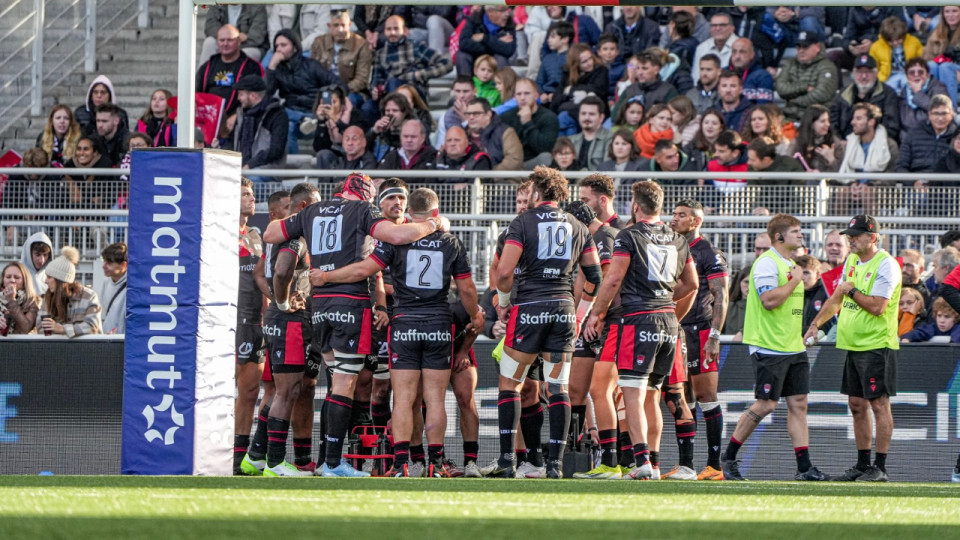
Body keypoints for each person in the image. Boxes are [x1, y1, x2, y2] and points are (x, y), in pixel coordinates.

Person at [263, 172, 453, 478]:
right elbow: (397, 236)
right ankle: (335, 464)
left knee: (334, 382)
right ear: (365, 193)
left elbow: (271, 233)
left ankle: (326, 459)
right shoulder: (364, 210)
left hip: (319, 306)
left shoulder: (311, 211)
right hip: (350, 303)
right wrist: (434, 224)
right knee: (344, 384)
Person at [313, 188, 482, 477]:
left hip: (404, 323)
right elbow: (465, 288)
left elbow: (364, 269)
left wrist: (326, 276)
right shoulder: (450, 241)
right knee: (435, 398)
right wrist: (476, 314)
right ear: (436, 214)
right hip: (438, 324)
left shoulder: (396, 242)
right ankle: (436, 463)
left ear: (409, 213)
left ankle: (402, 463)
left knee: (403, 398)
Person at [489, 166, 601, 479]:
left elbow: (503, 272)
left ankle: (506, 460)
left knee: (510, 382)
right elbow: (595, 275)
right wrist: (580, 314)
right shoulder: (579, 225)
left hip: (529, 310)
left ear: (537, 192)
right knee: (557, 387)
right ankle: (555, 464)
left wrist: (506, 304)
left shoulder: (523, 221)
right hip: (564, 311)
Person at [584, 180, 698, 480]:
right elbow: (693, 284)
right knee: (652, 395)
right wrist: (665, 299)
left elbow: (612, 280)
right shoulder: (677, 238)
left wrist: (596, 313)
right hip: (668, 322)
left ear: (635, 206)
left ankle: (642, 461)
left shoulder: (629, 235)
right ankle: (656, 464)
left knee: (632, 393)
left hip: (637, 320)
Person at [722, 214, 829, 481]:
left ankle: (804, 467)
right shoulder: (767, 264)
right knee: (766, 404)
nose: (801, 235)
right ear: (779, 236)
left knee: (799, 404)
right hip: (769, 346)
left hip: (792, 346)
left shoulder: (788, 263)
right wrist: (794, 281)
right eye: (795, 231)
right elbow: (769, 300)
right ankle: (729, 457)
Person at [805, 215, 901, 482]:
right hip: (853, 344)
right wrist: (816, 324)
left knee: (879, 405)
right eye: (849, 235)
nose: (850, 239)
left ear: (872, 238)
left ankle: (879, 467)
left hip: (876, 344)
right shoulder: (852, 260)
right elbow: (837, 297)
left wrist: (851, 290)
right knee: (856, 404)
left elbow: (878, 306)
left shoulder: (887, 265)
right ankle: (862, 464)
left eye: (856, 236)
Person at [242, 182, 322, 477]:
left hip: (279, 319)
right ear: (303, 208)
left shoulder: (279, 236)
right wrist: (285, 301)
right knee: (287, 391)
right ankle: (276, 463)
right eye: (315, 206)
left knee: (281, 390)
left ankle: (255, 456)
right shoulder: (296, 238)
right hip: (288, 321)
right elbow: (281, 271)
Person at [666, 199, 729, 481]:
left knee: (706, 396)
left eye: (682, 215)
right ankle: (686, 466)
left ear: (696, 221)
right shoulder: (671, 248)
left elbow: (721, 295)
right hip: (676, 329)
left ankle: (714, 466)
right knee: (682, 397)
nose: (674, 218)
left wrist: (714, 336)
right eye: (674, 213)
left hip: (700, 330)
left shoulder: (708, 252)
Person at [233, 178, 268, 475]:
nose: (251, 199)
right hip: (231, 321)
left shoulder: (256, 235)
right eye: (244, 194)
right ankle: (230, 454)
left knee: (250, 390)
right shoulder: (219, 236)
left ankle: (240, 457)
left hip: (256, 320)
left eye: (252, 194)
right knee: (238, 389)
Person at [266, 29, 344, 155]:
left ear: (295, 47)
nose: (279, 49)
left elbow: (336, 84)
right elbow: (266, 93)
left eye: (283, 45)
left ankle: (307, 118)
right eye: (276, 46)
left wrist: (326, 102)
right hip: (292, 113)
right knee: (283, 122)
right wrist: (271, 68)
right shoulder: (277, 69)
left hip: (314, 112)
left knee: (285, 117)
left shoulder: (311, 65)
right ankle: (292, 166)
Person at [195, 24, 265, 140]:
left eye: (230, 40)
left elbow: (258, 99)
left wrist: (238, 115)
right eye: (222, 40)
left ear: (238, 41)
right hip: (209, 121)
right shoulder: (207, 66)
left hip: (238, 122)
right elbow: (197, 94)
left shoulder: (252, 66)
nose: (225, 44)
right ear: (217, 42)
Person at [836, 103, 898, 216]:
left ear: (871, 122)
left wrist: (870, 185)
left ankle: (872, 231)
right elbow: (843, 171)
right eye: (853, 118)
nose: (852, 122)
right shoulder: (849, 144)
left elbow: (892, 175)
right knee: (842, 193)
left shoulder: (889, 145)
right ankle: (839, 230)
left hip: (880, 190)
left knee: (867, 192)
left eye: (858, 118)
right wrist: (852, 184)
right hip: (854, 188)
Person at [830, 54, 901, 142]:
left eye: (868, 72)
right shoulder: (843, 94)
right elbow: (832, 122)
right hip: (845, 142)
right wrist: (839, 141)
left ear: (876, 73)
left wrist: (869, 143)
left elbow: (891, 127)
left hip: (876, 144)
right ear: (854, 73)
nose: (864, 76)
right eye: (860, 72)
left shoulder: (888, 94)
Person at [310, 9, 373, 107]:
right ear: (329, 26)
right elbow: (312, 72)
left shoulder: (361, 44)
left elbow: (362, 78)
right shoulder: (319, 42)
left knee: (348, 102)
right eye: (336, 25)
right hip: (326, 89)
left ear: (350, 25)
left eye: (343, 25)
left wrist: (341, 91)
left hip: (352, 91)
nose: (340, 29)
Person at [231, 74, 288, 180]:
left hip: (268, 169)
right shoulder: (241, 114)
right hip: (242, 167)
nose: (238, 98)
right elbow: (232, 142)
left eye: (241, 94)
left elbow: (276, 149)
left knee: (251, 181)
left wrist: (251, 164)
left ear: (253, 96)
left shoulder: (277, 114)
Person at [775, 31, 840, 123]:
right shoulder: (790, 63)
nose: (801, 50)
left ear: (817, 47)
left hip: (815, 120)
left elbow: (821, 94)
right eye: (798, 47)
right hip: (789, 117)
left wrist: (796, 100)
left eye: (805, 47)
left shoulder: (827, 66)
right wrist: (804, 87)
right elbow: (780, 88)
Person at [37, 246, 102, 337]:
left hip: (87, 349)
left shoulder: (89, 296)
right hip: (58, 350)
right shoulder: (48, 297)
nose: (45, 281)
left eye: (49, 277)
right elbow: (40, 328)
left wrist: (62, 329)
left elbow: (92, 326)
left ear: (61, 281)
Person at [500, 78, 559, 168]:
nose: (522, 98)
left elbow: (545, 148)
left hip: (535, 164)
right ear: (514, 97)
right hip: (511, 164)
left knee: (545, 157)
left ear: (536, 96)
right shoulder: (505, 117)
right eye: (519, 94)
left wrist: (527, 122)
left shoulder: (549, 117)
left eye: (527, 93)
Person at [746, 137, 805, 214]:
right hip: (763, 213)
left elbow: (798, 201)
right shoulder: (752, 167)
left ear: (766, 160)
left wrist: (773, 214)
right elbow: (753, 195)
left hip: (788, 213)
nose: (748, 162)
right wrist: (759, 209)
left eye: (752, 160)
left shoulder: (790, 166)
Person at [463, 97, 523, 171]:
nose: (471, 117)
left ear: (488, 114)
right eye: (468, 114)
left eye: (476, 114)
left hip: (501, 180)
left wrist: (489, 175)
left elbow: (514, 160)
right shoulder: (461, 133)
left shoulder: (506, 132)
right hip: (467, 180)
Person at [456, 6, 517, 76]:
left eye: (507, 10)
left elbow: (508, 50)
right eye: (502, 10)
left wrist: (484, 38)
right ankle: (465, 85)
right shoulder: (474, 19)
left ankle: (500, 86)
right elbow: (463, 43)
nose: (507, 14)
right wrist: (496, 41)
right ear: (490, 12)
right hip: (475, 60)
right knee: (462, 55)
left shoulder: (509, 23)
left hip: (494, 62)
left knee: (501, 58)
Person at [199, 4, 268, 65]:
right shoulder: (217, 4)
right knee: (209, 42)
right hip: (223, 44)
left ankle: (236, 79)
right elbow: (210, 27)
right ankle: (203, 77)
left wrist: (232, 45)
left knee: (244, 54)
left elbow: (257, 36)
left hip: (248, 46)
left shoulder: (257, 5)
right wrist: (229, 38)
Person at [870, 16, 923, 93]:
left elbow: (922, 59)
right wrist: (878, 78)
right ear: (885, 38)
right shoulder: (876, 47)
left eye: (898, 39)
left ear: (903, 35)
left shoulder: (913, 42)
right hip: (888, 76)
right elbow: (874, 67)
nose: (895, 43)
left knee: (909, 88)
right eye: (891, 41)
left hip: (908, 74)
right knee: (888, 91)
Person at [899, 59, 950, 136]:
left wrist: (918, 93)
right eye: (912, 72)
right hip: (909, 134)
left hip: (933, 132)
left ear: (927, 75)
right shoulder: (904, 91)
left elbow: (939, 109)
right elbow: (905, 120)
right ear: (907, 76)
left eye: (921, 72)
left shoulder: (938, 87)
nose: (916, 75)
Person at [788, 104, 843, 174]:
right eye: (823, 121)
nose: (828, 124)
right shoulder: (797, 144)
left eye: (828, 120)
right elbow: (789, 169)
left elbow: (841, 176)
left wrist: (832, 160)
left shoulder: (835, 143)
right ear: (811, 124)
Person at [923, 6, 960, 108]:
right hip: (941, 72)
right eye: (947, 12)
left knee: (945, 67)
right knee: (931, 65)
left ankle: (950, 109)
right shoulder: (936, 33)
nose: (950, 15)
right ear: (943, 14)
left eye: (954, 11)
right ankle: (933, 108)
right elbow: (927, 58)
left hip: (955, 72)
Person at [568, 96, 613, 170]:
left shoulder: (611, 139)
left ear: (601, 117)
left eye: (591, 114)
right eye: (583, 113)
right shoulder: (570, 140)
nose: (586, 118)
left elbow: (607, 169)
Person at [795, 254, 835, 335]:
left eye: (806, 273)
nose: (802, 277)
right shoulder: (791, 293)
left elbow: (829, 325)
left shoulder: (828, 294)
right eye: (799, 273)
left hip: (822, 343)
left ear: (818, 275)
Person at [691, 12, 738, 81]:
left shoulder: (741, 47)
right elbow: (696, 78)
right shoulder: (702, 48)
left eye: (722, 25)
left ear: (732, 28)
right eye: (713, 25)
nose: (717, 28)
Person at [536, 21, 574, 105]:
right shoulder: (547, 58)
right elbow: (539, 81)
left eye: (553, 37)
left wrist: (557, 95)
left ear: (565, 39)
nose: (548, 40)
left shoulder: (574, 57)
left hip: (564, 98)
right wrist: (542, 94)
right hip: (545, 98)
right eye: (549, 37)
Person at [434, 75, 476, 148]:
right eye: (457, 91)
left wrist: (466, 120)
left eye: (466, 91)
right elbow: (440, 146)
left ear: (474, 91)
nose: (461, 95)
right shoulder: (445, 117)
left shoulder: (485, 112)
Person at [729, 38, 774, 103]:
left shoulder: (763, 76)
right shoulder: (722, 73)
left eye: (742, 52)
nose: (737, 56)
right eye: (734, 52)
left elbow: (763, 108)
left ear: (752, 54)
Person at [0, 262, 40, 336]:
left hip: (20, 345)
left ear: (25, 281)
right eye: (8, 277)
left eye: (17, 277)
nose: (12, 280)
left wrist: (11, 300)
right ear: (3, 280)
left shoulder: (32, 301)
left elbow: (25, 329)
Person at [98, 242, 127, 335]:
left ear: (123, 265)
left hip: (121, 342)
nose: (103, 266)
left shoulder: (133, 287)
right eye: (104, 261)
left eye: (109, 263)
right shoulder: (106, 282)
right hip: (106, 339)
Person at [723, 267, 751, 338]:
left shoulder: (765, 307)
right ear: (739, 283)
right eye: (746, 282)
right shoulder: (727, 307)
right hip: (729, 347)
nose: (749, 287)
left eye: (753, 283)